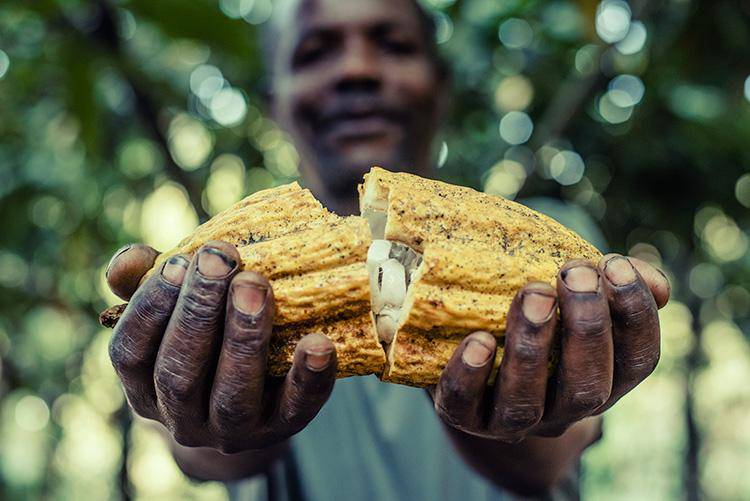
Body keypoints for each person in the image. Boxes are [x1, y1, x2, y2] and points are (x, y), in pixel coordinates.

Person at [104, 0, 671, 499]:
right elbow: (204, 457)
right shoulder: (212, 269)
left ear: (440, 84)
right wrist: (204, 412)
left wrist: (516, 411)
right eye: (316, 52)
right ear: (275, 103)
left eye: (393, 45)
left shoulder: (563, 244)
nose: (356, 70)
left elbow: (547, 459)